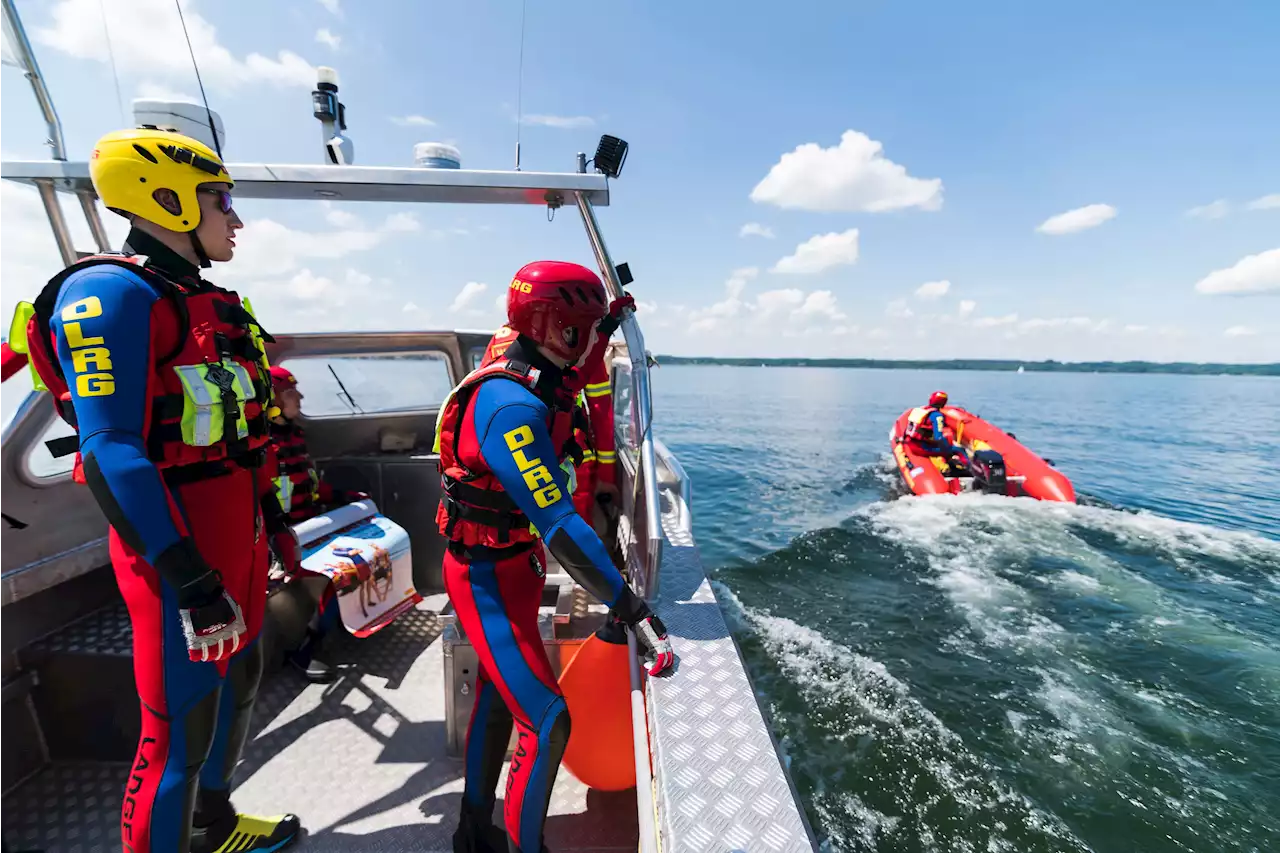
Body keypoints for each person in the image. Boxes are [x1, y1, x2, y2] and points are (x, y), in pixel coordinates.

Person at [15, 128, 301, 853]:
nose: (235, 218)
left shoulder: (203, 299)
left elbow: (245, 429)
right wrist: (193, 582)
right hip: (178, 553)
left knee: (239, 684)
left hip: (237, 539)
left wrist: (274, 521)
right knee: (176, 733)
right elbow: (111, 451)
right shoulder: (108, 293)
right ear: (165, 200)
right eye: (221, 200)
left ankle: (214, 826)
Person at [436, 260, 674, 853]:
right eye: (588, 327)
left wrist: (612, 321)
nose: (595, 341)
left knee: (496, 696)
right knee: (546, 722)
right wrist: (630, 606)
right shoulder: (509, 407)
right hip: (484, 577)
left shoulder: (547, 365)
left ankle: (472, 833)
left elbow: (586, 366)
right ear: (560, 330)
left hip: (515, 565)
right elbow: (561, 522)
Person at [263, 365, 369, 683]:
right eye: (291, 393)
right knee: (338, 573)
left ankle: (331, 629)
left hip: (306, 529)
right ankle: (308, 646)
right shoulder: (263, 447)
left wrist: (346, 496)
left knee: (361, 560)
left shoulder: (294, 437)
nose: (301, 397)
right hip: (276, 541)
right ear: (273, 399)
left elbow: (308, 486)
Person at [478, 314, 619, 534]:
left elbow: (485, 398)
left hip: (514, 456)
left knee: (513, 528)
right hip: (570, 459)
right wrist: (607, 476)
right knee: (576, 535)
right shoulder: (580, 343)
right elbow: (601, 412)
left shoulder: (500, 337)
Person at [904, 390, 970, 469]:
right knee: (959, 450)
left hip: (912, 443)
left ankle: (950, 464)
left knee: (946, 443)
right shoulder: (937, 416)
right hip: (921, 448)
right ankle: (969, 469)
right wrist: (948, 450)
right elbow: (938, 438)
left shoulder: (921, 411)